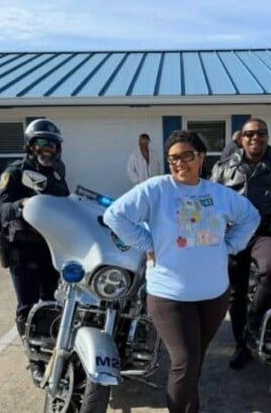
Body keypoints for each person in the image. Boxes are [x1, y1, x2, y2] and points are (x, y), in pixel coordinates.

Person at [104, 130, 259, 413]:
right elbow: (115, 215)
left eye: (186, 156)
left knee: (194, 362)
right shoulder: (157, 189)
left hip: (213, 296)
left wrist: (231, 245)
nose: (179, 163)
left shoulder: (218, 193)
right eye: (173, 158)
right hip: (170, 295)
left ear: (201, 157)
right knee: (185, 361)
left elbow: (251, 216)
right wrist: (146, 242)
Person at [209, 118, 271, 369]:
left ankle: (254, 323)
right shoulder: (224, 167)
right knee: (236, 292)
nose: (255, 138)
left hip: (265, 232)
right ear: (241, 139)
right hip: (234, 235)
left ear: (268, 136)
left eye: (261, 133)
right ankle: (241, 344)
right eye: (250, 134)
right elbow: (209, 201)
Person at [0, 119, 70, 382]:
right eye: (41, 142)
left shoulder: (58, 171)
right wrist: (24, 203)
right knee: (27, 306)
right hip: (22, 248)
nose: (47, 148)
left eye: (52, 143)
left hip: (51, 247)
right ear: (29, 144)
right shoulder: (15, 172)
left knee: (52, 302)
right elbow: (3, 210)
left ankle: (52, 352)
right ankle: (34, 359)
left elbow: (65, 202)